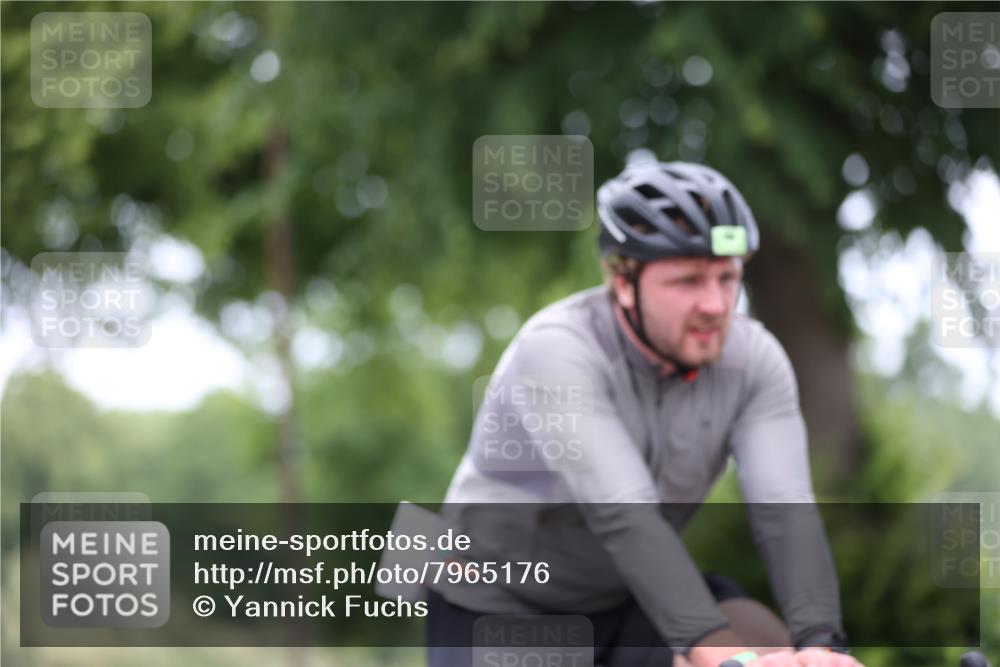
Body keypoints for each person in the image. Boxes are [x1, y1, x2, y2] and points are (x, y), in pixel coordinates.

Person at [428, 159, 862, 667]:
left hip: (624, 597)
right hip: (496, 604)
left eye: (728, 277)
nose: (716, 304)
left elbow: (784, 509)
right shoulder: (557, 350)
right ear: (621, 279)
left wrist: (822, 647)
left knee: (769, 645)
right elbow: (625, 515)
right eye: (688, 281)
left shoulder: (754, 359)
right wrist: (726, 659)